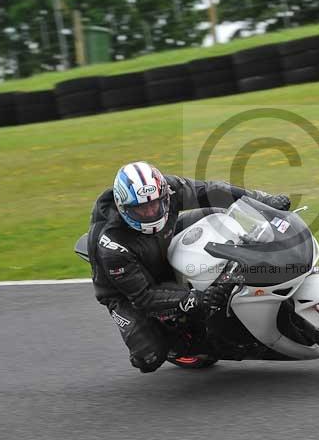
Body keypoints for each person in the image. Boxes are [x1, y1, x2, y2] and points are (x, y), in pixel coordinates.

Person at [87, 160, 291, 373]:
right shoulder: (111, 244)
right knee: (148, 356)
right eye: (141, 209)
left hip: (163, 240)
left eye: (155, 204)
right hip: (126, 289)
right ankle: (179, 343)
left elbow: (212, 190)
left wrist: (263, 200)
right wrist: (195, 298)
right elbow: (144, 296)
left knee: (216, 213)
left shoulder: (168, 188)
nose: (150, 213)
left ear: (164, 195)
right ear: (123, 208)